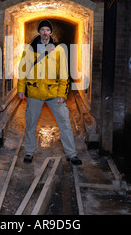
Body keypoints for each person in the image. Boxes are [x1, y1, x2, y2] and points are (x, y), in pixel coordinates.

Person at [17, 19, 82, 165]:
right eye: (42, 30)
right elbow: (23, 71)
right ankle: (29, 152)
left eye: (47, 30)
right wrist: (21, 89)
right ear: (39, 32)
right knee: (31, 124)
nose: (45, 33)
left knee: (65, 123)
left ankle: (72, 154)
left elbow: (64, 74)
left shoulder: (59, 50)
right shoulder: (29, 49)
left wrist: (62, 94)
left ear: (50, 33)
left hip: (53, 94)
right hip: (35, 92)